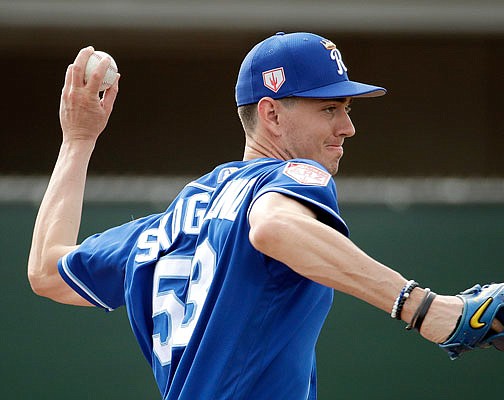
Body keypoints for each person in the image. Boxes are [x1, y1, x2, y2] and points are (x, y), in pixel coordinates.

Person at [28, 32, 466, 399]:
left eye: (346, 109)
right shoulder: (290, 175)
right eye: (329, 109)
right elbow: (274, 226)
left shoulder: (172, 222)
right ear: (271, 113)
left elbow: (47, 270)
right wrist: (423, 308)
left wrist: (78, 139)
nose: (347, 126)